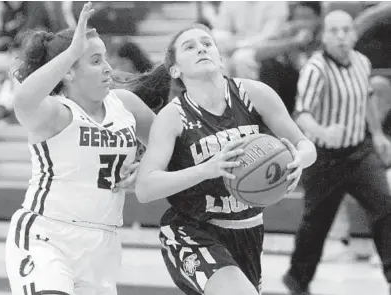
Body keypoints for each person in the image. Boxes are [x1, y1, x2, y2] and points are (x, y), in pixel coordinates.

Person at [133, 23, 317, 295]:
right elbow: (145, 188)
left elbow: (306, 145)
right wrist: (207, 169)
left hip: (249, 230)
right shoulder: (173, 117)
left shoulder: (255, 94)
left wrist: (297, 160)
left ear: (220, 58)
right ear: (175, 70)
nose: (201, 48)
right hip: (192, 230)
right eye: (190, 46)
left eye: (207, 43)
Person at [5, 3, 155, 295]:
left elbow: (169, 145)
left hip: (103, 243)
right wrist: (73, 51)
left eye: (106, 59)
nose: (109, 68)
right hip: (46, 235)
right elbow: (22, 101)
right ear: (69, 72)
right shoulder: (54, 112)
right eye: (96, 61)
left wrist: (145, 166)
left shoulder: (125, 105)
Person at [283, 10, 391, 295]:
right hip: (324, 159)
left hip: (360, 153)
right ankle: (296, 281)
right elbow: (301, 113)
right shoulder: (315, 69)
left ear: (354, 34)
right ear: (324, 36)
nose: (341, 36)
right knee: (315, 224)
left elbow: (366, 98)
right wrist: (321, 131)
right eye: (334, 31)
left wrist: (378, 134)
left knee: (385, 209)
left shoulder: (362, 62)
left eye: (346, 30)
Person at [258, 1, 322, 115]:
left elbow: (307, 71)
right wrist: (293, 42)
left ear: (318, 19)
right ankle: (270, 117)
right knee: (269, 65)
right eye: (297, 18)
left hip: (314, 91)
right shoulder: (289, 33)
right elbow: (258, 53)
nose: (300, 23)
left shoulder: (323, 37)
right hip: (289, 87)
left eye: (306, 18)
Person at [211, 1, 289, 80]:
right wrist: (225, 42)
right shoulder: (230, 2)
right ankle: (227, 91)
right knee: (218, 57)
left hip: (270, 48)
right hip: (237, 45)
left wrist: (238, 45)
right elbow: (220, 30)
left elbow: (270, 36)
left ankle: (248, 91)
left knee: (241, 58)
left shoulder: (277, 2)